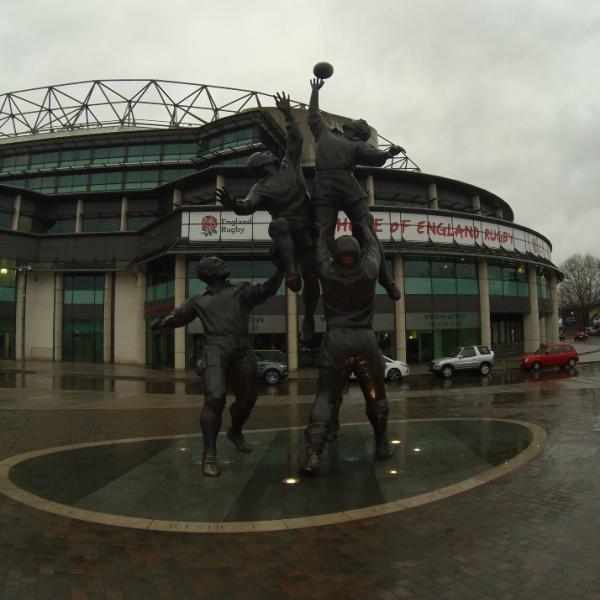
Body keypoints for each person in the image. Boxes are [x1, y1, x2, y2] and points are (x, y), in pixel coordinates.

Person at [151, 254, 283, 477]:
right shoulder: (198, 299)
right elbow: (179, 316)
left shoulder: (241, 289)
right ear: (208, 273)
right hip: (215, 350)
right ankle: (209, 454)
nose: (222, 262)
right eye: (216, 262)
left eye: (221, 260)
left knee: (248, 400)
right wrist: (162, 322)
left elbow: (267, 290)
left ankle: (235, 431)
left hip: (242, 350)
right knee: (215, 396)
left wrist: (281, 270)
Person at [210, 92, 319, 345]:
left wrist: (288, 113)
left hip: (310, 228)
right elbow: (247, 207)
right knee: (277, 224)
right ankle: (292, 272)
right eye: (264, 154)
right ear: (260, 164)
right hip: (290, 232)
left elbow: (297, 138)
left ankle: (309, 318)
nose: (269, 152)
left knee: (314, 278)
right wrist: (233, 204)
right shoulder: (260, 187)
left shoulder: (289, 164)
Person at [300, 216, 394, 475]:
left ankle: (313, 454)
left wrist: (321, 231)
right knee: (376, 394)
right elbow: (373, 246)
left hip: (336, 341)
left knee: (326, 398)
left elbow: (320, 251)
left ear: (337, 256)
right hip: (365, 339)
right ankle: (382, 444)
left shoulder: (328, 272)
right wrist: (365, 227)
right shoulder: (370, 269)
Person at [308, 77, 404, 301]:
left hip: (341, 186)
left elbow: (375, 157)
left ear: (357, 131)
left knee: (366, 230)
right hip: (328, 187)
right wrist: (315, 91)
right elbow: (313, 115)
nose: (354, 122)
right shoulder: (325, 132)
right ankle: (331, 280)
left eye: (356, 122)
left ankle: (385, 278)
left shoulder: (356, 144)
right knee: (322, 235)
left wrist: (388, 153)